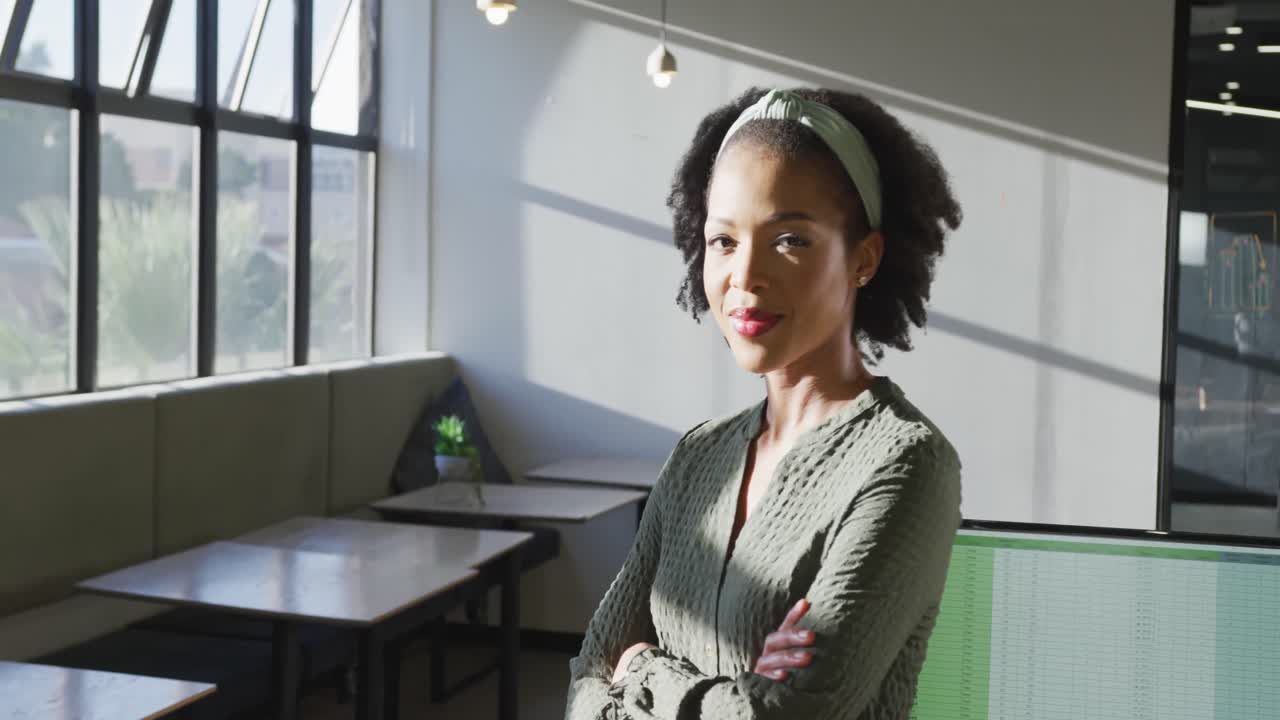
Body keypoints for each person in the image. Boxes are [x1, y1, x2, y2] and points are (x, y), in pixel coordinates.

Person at [564, 87, 964, 719]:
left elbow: (790, 715)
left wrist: (643, 668)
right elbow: (586, 683)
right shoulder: (699, 455)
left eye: (790, 241)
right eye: (723, 240)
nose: (745, 277)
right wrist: (737, 696)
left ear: (863, 258)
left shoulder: (904, 464)